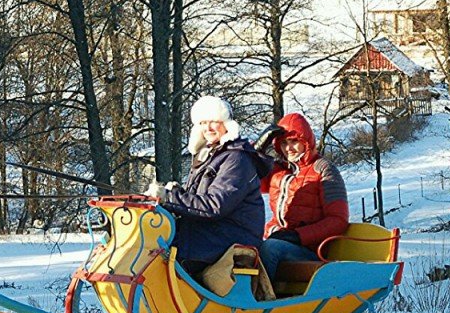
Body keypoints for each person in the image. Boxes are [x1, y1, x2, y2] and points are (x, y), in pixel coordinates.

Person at [147, 95, 271, 276]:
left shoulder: (237, 158)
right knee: (151, 244)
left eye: (213, 121)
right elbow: (201, 200)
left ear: (226, 124)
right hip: (209, 231)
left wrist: (170, 198)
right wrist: (175, 192)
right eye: (203, 123)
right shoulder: (208, 156)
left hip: (232, 236)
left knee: (167, 256)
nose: (208, 128)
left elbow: (215, 206)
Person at [258, 112, 350, 281]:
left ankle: (260, 301)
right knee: (242, 248)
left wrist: (297, 236)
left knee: (270, 249)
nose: (288, 148)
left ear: (305, 141)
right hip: (277, 239)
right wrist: (257, 150)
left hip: (310, 250)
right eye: (284, 143)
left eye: (294, 141)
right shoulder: (278, 171)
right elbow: (243, 179)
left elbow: (338, 220)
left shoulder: (323, 169)